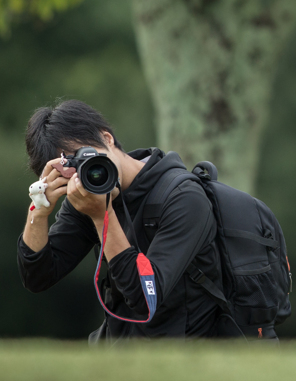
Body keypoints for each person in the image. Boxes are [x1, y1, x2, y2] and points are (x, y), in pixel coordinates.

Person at [18, 99, 223, 341]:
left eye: (84, 156)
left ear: (107, 138)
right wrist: (38, 210)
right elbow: (38, 276)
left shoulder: (183, 197)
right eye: (69, 166)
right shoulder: (85, 198)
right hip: (118, 352)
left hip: (182, 351)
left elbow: (146, 298)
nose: (84, 171)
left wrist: (103, 216)